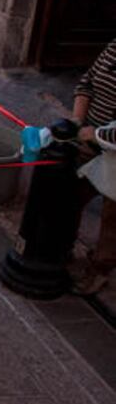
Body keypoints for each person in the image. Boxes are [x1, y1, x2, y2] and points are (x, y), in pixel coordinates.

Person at [70, 38, 116, 291]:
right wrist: (77, 120)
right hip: (89, 141)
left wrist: (95, 134)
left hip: (111, 151)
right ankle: (62, 249)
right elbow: (87, 82)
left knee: (112, 217)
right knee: (73, 196)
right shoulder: (113, 46)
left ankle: (100, 269)